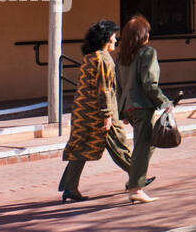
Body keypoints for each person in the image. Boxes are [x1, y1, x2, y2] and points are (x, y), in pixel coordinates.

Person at [58, 19, 134, 203]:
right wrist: (107, 115)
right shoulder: (103, 59)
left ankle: (69, 187)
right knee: (119, 143)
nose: (116, 40)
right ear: (106, 39)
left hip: (83, 113)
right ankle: (137, 176)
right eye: (114, 37)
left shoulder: (90, 57)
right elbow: (104, 89)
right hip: (98, 114)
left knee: (80, 149)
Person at [115, 14, 173, 204]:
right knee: (143, 146)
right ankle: (136, 188)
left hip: (129, 107)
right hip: (142, 106)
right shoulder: (147, 53)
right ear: (142, 36)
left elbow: (120, 86)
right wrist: (164, 103)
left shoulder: (122, 56)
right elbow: (150, 84)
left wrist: (122, 111)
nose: (149, 35)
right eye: (146, 31)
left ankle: (134, 179)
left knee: (149, 142)